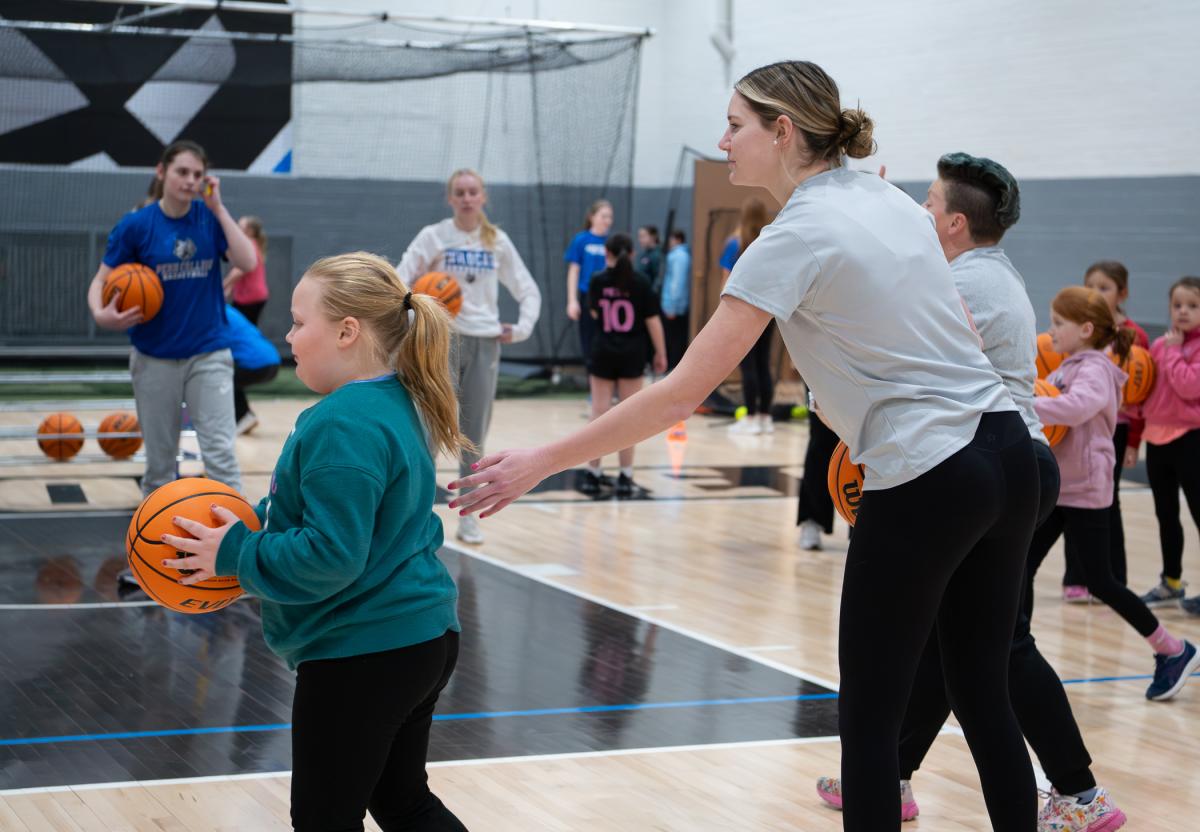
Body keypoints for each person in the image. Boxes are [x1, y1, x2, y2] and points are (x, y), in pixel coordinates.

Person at [450, 60, 1043, 830]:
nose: (723, 139)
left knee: (866, 722)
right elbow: (957, 333)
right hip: (1011, 455)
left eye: (736, 124)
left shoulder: (789, 238)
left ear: (784, 131)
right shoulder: (889, 199)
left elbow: (681, 392)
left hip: (930, 475)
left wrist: (541, 459)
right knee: (982, 690)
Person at [817, 153, 1126, 831]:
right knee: (958, 657)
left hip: (991, 465)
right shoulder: (977, 273)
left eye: (926, 202)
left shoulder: (970, 285)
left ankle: (1077, 792)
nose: (919, 210)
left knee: (992, 654)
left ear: (954, 222)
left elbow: (903, 356)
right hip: (1001, 466)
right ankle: (895, 774)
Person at [159, 252, 469, 831]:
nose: (288, 335)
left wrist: (234, 555)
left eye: (300, 322)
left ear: (347, 332)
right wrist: (242, 529)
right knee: (403, 802)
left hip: (363, 653)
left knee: (326, 821)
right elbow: (310, 514)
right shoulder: (397, 400)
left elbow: (331, 555)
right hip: (420, 636)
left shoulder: (341, 423)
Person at [1027, 286, 1198, 700]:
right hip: (1062, 486)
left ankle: (1172, 649)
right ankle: (1012, 653)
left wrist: (1027, 403)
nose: (1050, 334)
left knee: (1102, 581)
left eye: (1058, 325)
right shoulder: (1067, 366)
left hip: (1087, 488)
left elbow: (1074, 408)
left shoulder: (1097, 370)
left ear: (1085, 329)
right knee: (1021, 565)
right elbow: (1047, 395)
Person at [87, 139, 255, 496]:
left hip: (208, 353)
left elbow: (248, 262)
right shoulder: (136, 226)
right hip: (154, 357)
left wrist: (220, 208)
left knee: (221, 456)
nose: (190, 180)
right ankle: (154, 540)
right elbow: (101, 280)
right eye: (182, 171)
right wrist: (101, 314)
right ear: (161, 172)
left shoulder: (209, 219)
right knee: (160, 465)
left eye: (198, 174)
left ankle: (234, 539)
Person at [397, 168, 541, 545]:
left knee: (473, 433)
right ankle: (417, 516)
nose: (465, 198)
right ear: (450, 199)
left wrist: (521, 328)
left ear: (483, 197)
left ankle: (469, 516)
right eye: (459, 192)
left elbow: (528, 290)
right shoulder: (434, 236)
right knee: (429, 427)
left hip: (484, 340)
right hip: (440, 337)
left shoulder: (497, 241)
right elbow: (400, 276)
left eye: (472, 192)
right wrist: (414, 312)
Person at [1059, 261, 1148, 601]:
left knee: (1108, 504)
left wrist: (1136, 440)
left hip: (1115, 427)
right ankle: (1075, 577)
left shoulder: (1134, 336)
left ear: (1122, 293)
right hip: (1077, 425)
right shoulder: (1079, 331)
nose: (1095, 293)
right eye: (1090, 286)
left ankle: (1113, 576)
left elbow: (1141, 395)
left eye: (1104, 287)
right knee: (1070, 500)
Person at [581, 233, 667, 496]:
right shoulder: (640, 283)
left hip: (603, 351)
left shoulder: (597, 281)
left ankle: (593, 474)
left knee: (599, 413)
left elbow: (595, 312)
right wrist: (661, 353)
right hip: (632, 354)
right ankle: (625, 476)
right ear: (631, 254)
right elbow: (653, 321)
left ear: (606, 254)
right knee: (630, 416)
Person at [1140, 276, 1200, 614]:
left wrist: (1176, 351)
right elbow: (1146, 387)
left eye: (1192, 306)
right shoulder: (1159, 346)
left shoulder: (1181, 348)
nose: (1183, 312)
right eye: (1177, 305)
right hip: (1158, 439)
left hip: (1191, 439)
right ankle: (1171, 582)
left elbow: (1190, 386)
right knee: (1166, 515)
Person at [721, 199, 776, 435]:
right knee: (763, 363)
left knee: (749, 366)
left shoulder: (734, 243)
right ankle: (765, 417)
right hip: (768, 310)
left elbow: (726, 280)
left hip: (742, 312)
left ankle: (751, 417)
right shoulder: (769, 243)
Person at [564, 200, 613, 370]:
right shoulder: (581, 240)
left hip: (610, 299)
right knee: (589, 339)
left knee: (609, 339)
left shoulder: (611, 241)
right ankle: (594, 383)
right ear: (592, 217)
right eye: (603, 216)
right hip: (588, 296)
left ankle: (610, 380)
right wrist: (572, 301)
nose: (607, 220)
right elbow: (574, 271)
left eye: (610, 217)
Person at [225, 304, 281, 436]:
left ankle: (243, 416)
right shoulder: (229, 311)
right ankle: (245, 415)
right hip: (273, 360)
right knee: (232, 380)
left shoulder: (218, 314)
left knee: (223, 381)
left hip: (258, 363)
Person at [223, 215, 270, 324]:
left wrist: (223, 285)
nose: (236, 229)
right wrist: (230, 287)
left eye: (240, 227)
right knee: (247, 327)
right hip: (255, 296)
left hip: (250, 297)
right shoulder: (253, 244)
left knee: (240, 328)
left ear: (250, 231)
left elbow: (240, 271)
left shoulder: (249, 244)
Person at [660, 229, 691, 371]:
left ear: (677, 239)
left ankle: (672, 369)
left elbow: (676, 283)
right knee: (673, 339)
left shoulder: (678, 256)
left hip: (675, 307)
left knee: (674, 340)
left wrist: (672, 306)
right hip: (676, 305)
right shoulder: (680, 255)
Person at [637, 225, 663, 295]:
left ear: (653, 237)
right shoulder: (644, 254)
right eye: (639, 237)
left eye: (643, 236)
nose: (640, 240)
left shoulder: (657, 255)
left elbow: (658, 279)